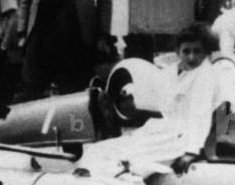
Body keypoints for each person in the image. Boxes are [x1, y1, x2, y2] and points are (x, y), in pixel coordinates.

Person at [79, 23, 223, 175]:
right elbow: (155, 87)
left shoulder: (206, 76)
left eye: (197, 51)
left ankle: (108, 173)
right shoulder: (172, 71)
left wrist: (192, 151)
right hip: (166, 129)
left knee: (130, 156)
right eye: (186, 51)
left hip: (182, 137)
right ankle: (90, 173)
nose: (191, 57)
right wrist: (130, 90)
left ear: (206, 52)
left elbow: (200, 114)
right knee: (105, 148)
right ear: (178, 51)